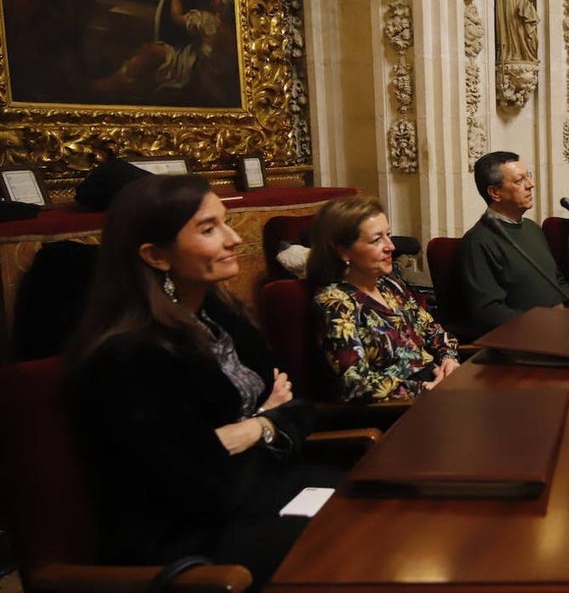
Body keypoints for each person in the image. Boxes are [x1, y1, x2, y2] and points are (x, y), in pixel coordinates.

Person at [66, 175, 332, 590]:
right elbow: (196, 483)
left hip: (257, 493)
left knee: (370, 508)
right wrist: (265, 422)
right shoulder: (128, 355)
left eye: (226, 222)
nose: (233, 238)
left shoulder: (222, 318)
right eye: (209, 229)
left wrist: (250, 428)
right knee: (343, 545)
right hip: (187, 539)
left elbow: (299, 407)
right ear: (156, 255)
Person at [308, 196, 459, 402]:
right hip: (395, 409)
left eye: (388, 235)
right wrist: (426, 390)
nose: (390, 246)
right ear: (343, 251)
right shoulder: (335, 302)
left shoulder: (389, 285)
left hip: (437, 386)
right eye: (376, 240)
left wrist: (449, 360)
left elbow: (435, 332)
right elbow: (356, 385)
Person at [458, 151, 569, 333]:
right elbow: (488, 311)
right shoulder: (478, 241)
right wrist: (542, 324)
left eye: (528, 176)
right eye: (519, 181)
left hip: (560, 327)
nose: (531, 185)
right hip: (523, 338)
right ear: (495, 193)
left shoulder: (533, 228)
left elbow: (556, 279)